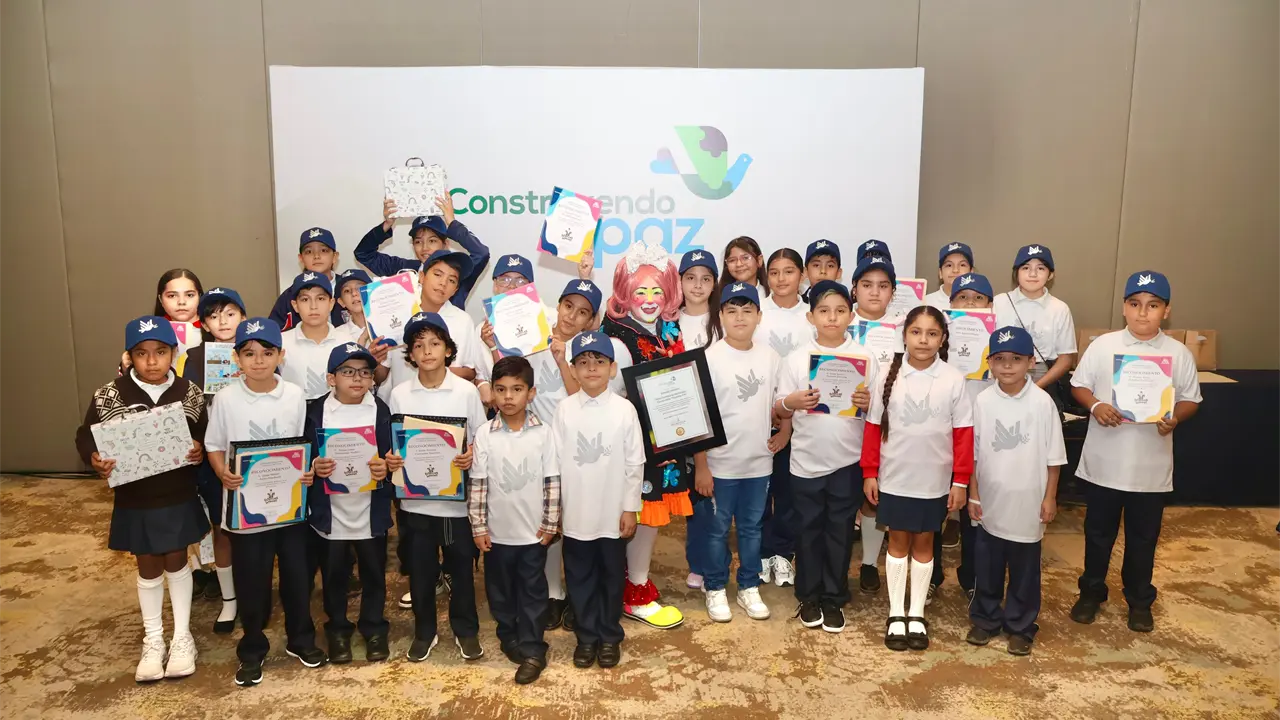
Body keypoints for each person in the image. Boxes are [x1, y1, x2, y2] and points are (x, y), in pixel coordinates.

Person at [76, 316, 208, 682]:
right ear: (129, 356)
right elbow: (85, 436)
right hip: (135, 496)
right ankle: (154, 639)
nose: (152, 361)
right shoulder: (109, 395)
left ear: (173, 354)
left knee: (177, 558)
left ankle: (182, 637)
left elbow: (203, 433)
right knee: (147, 564)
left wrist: (198, 450)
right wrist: (95, 459)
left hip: (177, 492)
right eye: (142, 353)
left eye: (160, 352)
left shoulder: (189, 392)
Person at [1068, 271, 1201, 633]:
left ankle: (1139, 599)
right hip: (1104, 464)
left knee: (1144, 539)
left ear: (1166, 311)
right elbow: (1079, 385)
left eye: (1153, 306)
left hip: (1150, 468)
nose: (1143, 313)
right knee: (1098, 534)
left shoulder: (1178, 353)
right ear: (1124, 308)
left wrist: (1174, 418)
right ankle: (1092, 592)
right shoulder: (1104, 345)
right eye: (1135, 304)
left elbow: (1191, 399)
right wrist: (1096, 406)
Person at [204, 317, 325, 687]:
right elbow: (214, 444)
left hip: (289, 508)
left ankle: (300, 639)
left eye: (267, 353)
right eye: (249, 353)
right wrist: (223, 472)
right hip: (246, 512)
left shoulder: (293, 395)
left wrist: (308, 471)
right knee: (252, 581)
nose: (258, 360)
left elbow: (303, 445)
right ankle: (253, 647)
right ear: (236, 358)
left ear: (280, 355)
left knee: (297, 577)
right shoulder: (225, 399)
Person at [478, 277, 602, 632]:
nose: (571, 317)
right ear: (557, 305)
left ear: (590, 321)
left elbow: (584, 396)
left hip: (573, 446)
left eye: (582, 313)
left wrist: (563, 359)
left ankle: (580, 597)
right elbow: (509, 375)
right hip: (532, 442)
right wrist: (493, 346)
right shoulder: (532, 330)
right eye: (568, 307)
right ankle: (552, 593)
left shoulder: (587, 352)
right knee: (544, 522)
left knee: (575, 523)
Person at [862, 305, 974, 651]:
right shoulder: (886, 376)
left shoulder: (953, 380)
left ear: (942, 339)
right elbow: (871, 428)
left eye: (932, 334)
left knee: (925, 545)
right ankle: (896, 613)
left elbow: (963, 434)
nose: (923, 340)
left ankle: (916, 614)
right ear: (905, 335)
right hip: (895, 477)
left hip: (933, 481)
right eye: (916, 332)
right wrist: (870, 472)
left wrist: (960, 481)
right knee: (897, 544)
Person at [775, 280, 878, 632]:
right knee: (807, 532)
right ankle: (809, 596)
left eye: (839, 311)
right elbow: (779, 408)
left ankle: (834, 597)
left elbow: (878, 417)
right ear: (811, 316)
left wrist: (868, 404)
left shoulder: (866, 359)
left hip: (847, 463)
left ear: (851, 315)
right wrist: (792, 402)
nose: (832, 318)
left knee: (838, 532)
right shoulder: (797, 358)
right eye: (823, 311)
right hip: (805, 462)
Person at [386, 312, 487, 662]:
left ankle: (466, 629)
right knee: (421, 572)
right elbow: (395, 447)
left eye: (434, 343)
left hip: (455, 505)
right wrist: (393, 461)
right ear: (410, 354)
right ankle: (424, 631)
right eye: (418, 345)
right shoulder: (399, 395)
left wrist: (470, 455)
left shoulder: (466, 391)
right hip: (415, 505)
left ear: (448, 349)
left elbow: (480, 439)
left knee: (461, 569)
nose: (427, 351)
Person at [600, 239, 690, 630]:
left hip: (665, 443)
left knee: (648, 518)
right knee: (637, 515)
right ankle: (634, 592)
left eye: (657, 291)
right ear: (625, 295)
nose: (650, 299)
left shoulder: (669, 329)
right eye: (640, 292)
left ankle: (631, 585)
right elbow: (611, 399)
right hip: (634, 448)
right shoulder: (619, 339)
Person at [965, 326, 1066, 655]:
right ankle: (985, 619)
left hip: (1029, 501)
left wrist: (1050, 496)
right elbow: (976, 454)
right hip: (992, 501)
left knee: (1024, 570)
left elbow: (1054, 457)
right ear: (990, 363)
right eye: (1000, 359)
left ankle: (1021, 625)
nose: (1008, 366)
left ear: (1031, 362)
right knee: (988, 566)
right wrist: (973, 494)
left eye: (1016, 359)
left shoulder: (1042, 403)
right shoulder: (981, 401)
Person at [553, 331, 645, 669]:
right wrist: (557, 509)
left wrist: (630, 508)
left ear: (612, 368)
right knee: (578, 576)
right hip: (576, 513)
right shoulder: (564, 410)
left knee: (610, 576)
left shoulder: (624, 411)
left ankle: (609, 635)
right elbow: (554, 461)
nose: (591, 368)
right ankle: (586, 636)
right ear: (573, 370)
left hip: (612, 514)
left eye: (599, 361)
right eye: (583, 362)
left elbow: (635, 462)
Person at [694, 282, 785, 622]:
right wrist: (701, 465)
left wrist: (785, 431)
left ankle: (748, 587)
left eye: (748, 310)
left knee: (751, 530)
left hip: (758, 463)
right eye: (732, 310)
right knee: (716, 530)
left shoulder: (771, 357)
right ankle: (715, 587)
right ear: (720, 316)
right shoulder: (708, 358)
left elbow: (780, 403)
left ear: (759, 316)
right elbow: (698, 417)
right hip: (719, 464)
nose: (740, 317)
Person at [470, 356, 561, 684]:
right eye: (501, 389)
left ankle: (534, 648)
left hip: (532, 535)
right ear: (492, 393)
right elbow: (478, 483)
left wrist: (550, 525)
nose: (508, 397)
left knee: (533, 593)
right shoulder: (485, 434)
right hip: (496, 535)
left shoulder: (544, 434)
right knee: (500, 592)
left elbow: (552, 480)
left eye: (517, 389)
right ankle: (509, 636)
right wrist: (478, 527)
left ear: (531, 393)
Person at [304, 343, 393, 665]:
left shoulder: (379, 410)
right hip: (331, 513)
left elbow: (391, 455)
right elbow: (302, 458)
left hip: (370, 509)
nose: (357, 379)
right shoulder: (315, 412)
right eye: (348, 372)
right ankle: (338, 630)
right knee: (334, 577)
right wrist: (314, 467)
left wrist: (385, 467)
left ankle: (374, 628)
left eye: (365, 372)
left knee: (374, 574)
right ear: (331, 378)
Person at [179, 287, 247, 633]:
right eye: (214, 315)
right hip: (213, 452)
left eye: (230, 313)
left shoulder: (256, 351)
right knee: (222, 526)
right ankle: (230, 600)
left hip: (254, 451)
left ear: (243, 317)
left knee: (256, 524)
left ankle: (253, 592)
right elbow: (187, 409)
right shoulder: (192, 357)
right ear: (204, 322)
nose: (223, 321)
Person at [928, 271, 997, 602]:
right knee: (935, 509)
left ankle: (972, 578)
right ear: (950, 304)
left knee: (974, 510)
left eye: (978, 298)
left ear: (990, 304)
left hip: (981, 434)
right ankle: (932, 575)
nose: (970, 304)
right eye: (962, 298)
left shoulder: (999, 342)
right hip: (941, 433)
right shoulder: (938, 339)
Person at [753, 248, 811, 588]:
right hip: (759, 413)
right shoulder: (758, 312)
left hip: (799, 418)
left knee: (788, 493)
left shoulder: (810, 316)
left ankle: (782, 554)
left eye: (788, 272)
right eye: (774, 272)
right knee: (760, 490)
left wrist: (788, 420)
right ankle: (761, 554)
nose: (781, 279)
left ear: (801, 274)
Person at [845, 255, 901, 594]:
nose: (875, 293)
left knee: (872, 499)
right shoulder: (839, 323)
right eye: (867, 285)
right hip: (843, 427)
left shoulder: (903, 329)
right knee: (840, 499)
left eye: (883, 286)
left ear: (893, 291)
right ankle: (835, 565)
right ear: (855, 289)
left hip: (884, 428)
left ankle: (868, 563)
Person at [377, 249, 480, 404]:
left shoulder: (463, 320)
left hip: (447, 407)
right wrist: (375, 360)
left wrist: (433, 373)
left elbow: (470, 372)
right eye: (437, 274)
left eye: (452, 280)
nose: (443, 283)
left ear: (456, 290)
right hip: (401, 408)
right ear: (422, 277)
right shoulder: (397, 313)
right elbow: (380, 375)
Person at [355, 196, 491, 309]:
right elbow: (363, 253)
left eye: (432, 241)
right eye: (418, 242)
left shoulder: (457, 271)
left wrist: (452, 223)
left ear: (446, 244)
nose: (425, 248)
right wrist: (387, 224)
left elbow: (481, 253)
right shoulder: (401, 269)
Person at [676, 249, 720, 591]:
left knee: (716, 495)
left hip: (720, 419)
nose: (697, 285)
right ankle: (699, 562)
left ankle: (712, 564)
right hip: (679, 418)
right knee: (696, 496)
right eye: (690, 277)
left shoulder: (723, 319)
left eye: (706, 278)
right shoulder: (668, 321)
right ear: (679, 281)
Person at [993, 245, 1076, 408]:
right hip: (1000, 376)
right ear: (1016, 272)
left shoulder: (1059, 308)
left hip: (1042, 379)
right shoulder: (998, 302)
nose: (1032, 274)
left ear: (1051, 274)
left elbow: (1066, 359)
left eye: (1040, 268)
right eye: (1025, 268)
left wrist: (1035, 388)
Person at [280, 273, 348, 400]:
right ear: (295, 305)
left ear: (331, 303)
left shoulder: (346, 341)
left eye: (320, 299)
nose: (313, 306)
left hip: (337, 415)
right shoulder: (281, 342)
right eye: (305, 299)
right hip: (296, 416)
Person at [268, 228, 349, 330]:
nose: (316, 256)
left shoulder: (349, 287)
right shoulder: (290, 296)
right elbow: (273, 334)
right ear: (301, 258)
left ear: (335, 256)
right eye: (309, 251)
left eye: (323, 250)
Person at [332, 269, 391, 352]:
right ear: (341, 302)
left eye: (360, 288)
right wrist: (363, 338)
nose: (354, 293)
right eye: (347, 291)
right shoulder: (336, 335)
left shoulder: (390, 324)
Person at [925, 243, 975, 311]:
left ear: (971, 272)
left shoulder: (981, 303)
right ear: (940, 273)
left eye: (962, 265)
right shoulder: (925, 303)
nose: (955, 270)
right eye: (949, 265)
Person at [801, 239, 842, 303]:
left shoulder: (847, 306)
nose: (823, 271)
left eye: (830, 266)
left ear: (839, 273)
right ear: (806, 271)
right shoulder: (797, 304)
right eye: (816, 265)